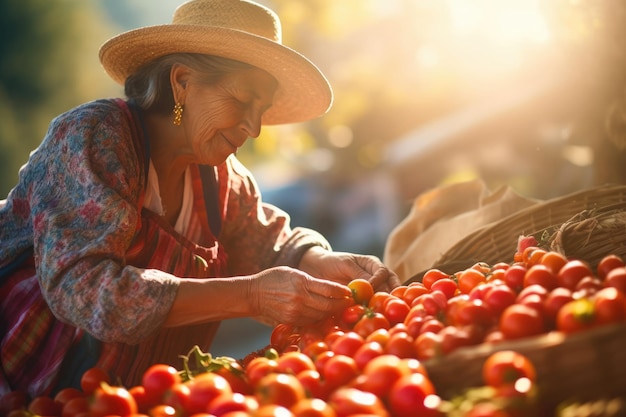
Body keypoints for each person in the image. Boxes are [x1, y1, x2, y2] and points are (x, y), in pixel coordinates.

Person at [0, 0, 400, 396]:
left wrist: (322, 263)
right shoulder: (94, 138)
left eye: (261, 109)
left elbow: (269, 245)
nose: (254, 127)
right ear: (182, 82)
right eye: (243, 100)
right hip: (22, 384)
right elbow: (87, 290)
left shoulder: (219, 177)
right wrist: (250, 295)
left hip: (123, 401)